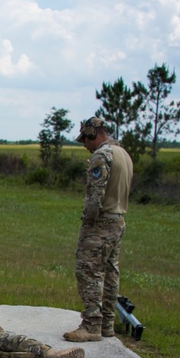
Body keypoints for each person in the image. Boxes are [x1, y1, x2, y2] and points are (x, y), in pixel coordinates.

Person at [64, 117, 133, 342]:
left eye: (85, 139)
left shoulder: (102, 156)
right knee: (110, 272)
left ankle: (91, 325)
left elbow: (96, 196)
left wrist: (88, 222)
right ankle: (107, 324)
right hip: (118, 220)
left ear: (93, 133)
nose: (84, 144)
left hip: (100, 223)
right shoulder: (124, 154)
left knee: (89, 271)